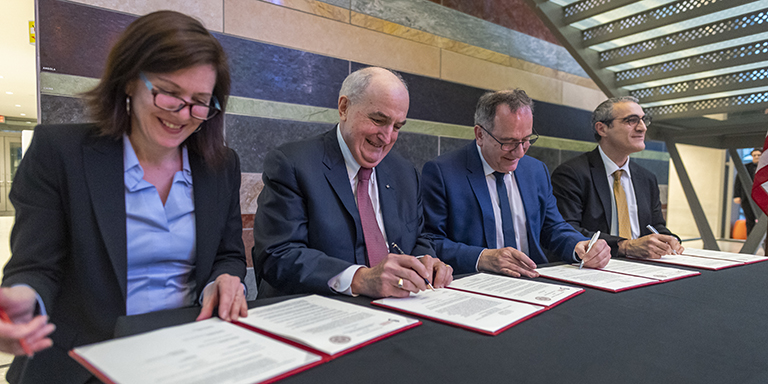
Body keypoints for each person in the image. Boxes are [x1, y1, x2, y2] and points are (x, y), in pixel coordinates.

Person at [0, 11, 248, 383]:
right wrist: (24, 300)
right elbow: (37, 265)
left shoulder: (220, 165)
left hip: (189, 352)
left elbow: (227, 253)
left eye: (200, 101)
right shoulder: (60, 152)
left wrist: (226, 278)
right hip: (85, 360)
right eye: (169, 94)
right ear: (130, 81)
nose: (183, 115)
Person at [253, 67, 452, 298]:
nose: (387, 137)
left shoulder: (405, 172)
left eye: (397, 127)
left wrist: (423, 263)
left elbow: (418, 238)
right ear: (344, 108)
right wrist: (360, 279)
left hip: (398, 309)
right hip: (319, 311)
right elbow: (278, 254)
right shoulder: (292, 164)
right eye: (378, 120)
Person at [421, 89, 610, 277]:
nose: (519, 152)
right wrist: (482, 257)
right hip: (475, 282)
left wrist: (579, 245)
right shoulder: (442, 172)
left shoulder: (536, 170)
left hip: (534, 280)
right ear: (480, 135)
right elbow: (429, 240)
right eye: (508, 142)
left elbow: (552, 227)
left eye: (526, 140)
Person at [551, 96, 683, 259]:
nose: (642, 128)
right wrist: (625, 246)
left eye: (643, 120)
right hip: (597, 267)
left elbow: (655, 227)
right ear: (602, 128)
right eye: (631, 121)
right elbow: (567, 230)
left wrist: (671, 240)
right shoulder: (571, 173)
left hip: (644, 267)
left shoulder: (647, 178)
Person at [733, 148, 762, 235]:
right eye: (754, 155)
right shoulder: (745, 167)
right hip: (747, 198)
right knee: (749, 220)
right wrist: (737, 195)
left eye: (758, 155)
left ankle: (763, 241)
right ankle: (750, 240)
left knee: (762, 221)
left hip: (762, 199)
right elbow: (738, 182)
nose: (756, 157)